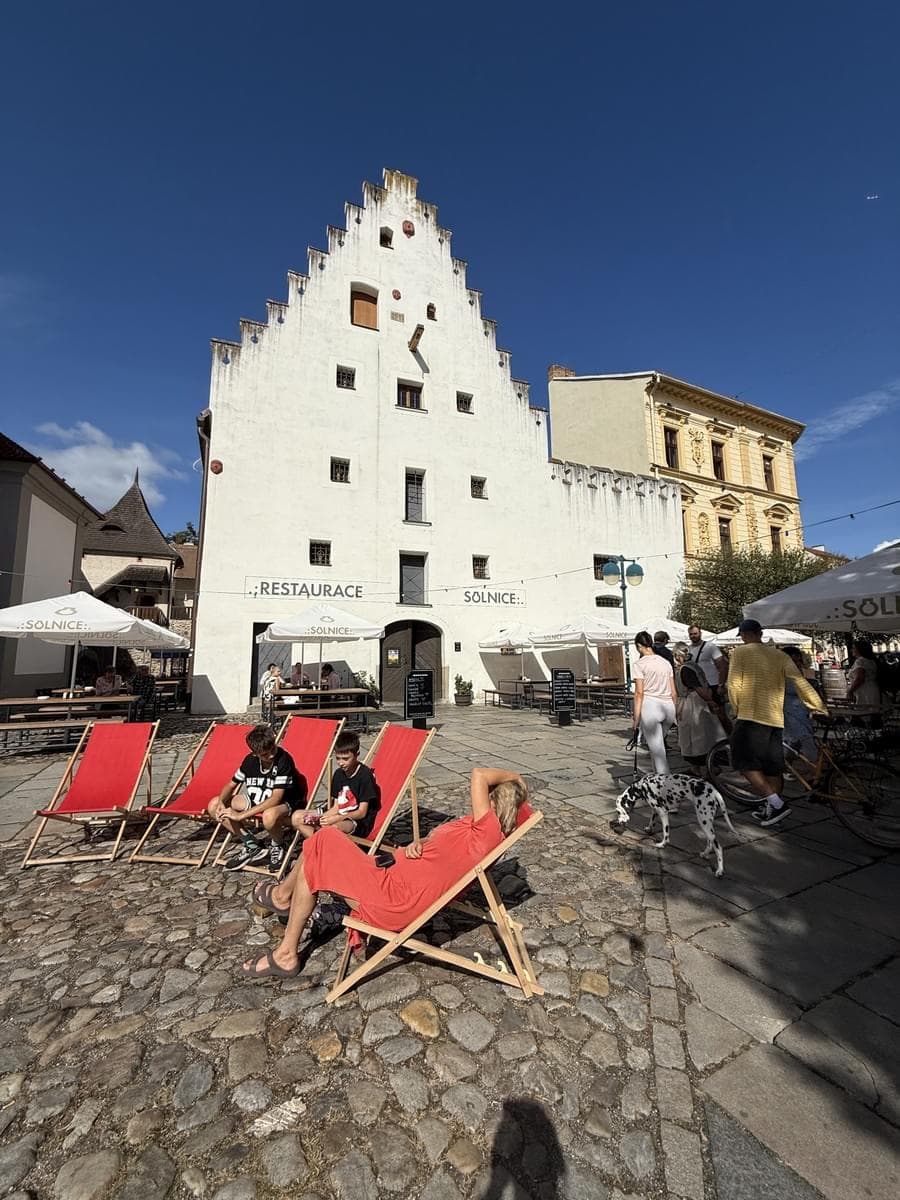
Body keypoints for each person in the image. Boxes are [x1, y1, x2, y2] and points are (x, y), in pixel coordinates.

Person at [242, 766, 528, 979]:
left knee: (323, 841)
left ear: (494, 804)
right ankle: (284, 927)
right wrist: (420, 845)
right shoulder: (475, 832)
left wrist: (515, 776)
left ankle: (283, 914)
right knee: (322, 844)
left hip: (393, 899)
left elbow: (478, 774)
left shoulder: (488, 833)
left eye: (488, 798)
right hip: (390, 877)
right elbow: (445, 853)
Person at [728, 619, 827, 825]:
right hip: (775, 718)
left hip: (751, 715)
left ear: (745, 635)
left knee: (742, 761)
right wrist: (818, 706)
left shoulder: (740, 653)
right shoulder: (779, 655)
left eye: (743, 635)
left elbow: (734, 684)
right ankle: (771, 807)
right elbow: (800, 681)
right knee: (773, 767)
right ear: (760, 633)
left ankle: (776, 803)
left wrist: (736, 709)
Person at [209, 724, 306, 871]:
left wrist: (240, 816)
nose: (271, 755)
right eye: (265, 754)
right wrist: (222, 802)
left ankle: (278, 844)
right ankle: (252, 845)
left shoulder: (283, 760)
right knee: (214, 805)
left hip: (286, 802)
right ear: (255, 754)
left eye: (272, 749)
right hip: (257, 799)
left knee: (269, 815)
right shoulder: (250, 761)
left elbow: (275, 798)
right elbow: (230, 785)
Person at [290, 729, 380, 852]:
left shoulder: (365, 776)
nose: (341, 763)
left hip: (357, 822)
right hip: (339, 815)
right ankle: (322, 848)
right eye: (338, 758)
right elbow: (336, 807)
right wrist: (321, 817)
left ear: (357, 754)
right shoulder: (338, 774)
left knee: (331, 829)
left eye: (345, 758)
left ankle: (321, 850)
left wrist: (337, 818)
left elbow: (361, 812)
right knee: (297, 817)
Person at [672, 643, 726, 772]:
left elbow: (697, 687)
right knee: (705, 734)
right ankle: (705, 766)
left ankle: (702, 767)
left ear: (679, 656)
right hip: (697, 701)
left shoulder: (685, 669)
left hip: (693, 703)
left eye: (675, 656)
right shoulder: (694, 666)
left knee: (696, 736)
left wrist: (710, 700)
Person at [632, 631, 678, 775]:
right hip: (668, 707)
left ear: (639, 646)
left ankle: (666, 783)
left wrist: (636, 717)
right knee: (656, 747)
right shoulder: (665, 663)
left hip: (651, 707)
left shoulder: (639, 664)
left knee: (658, 751)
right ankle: (656, 778)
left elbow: (639, 693)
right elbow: (674, 691)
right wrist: (676, 710)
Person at [781, 646, 820, 771]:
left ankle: (790, 766)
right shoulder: (782, 673)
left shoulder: (799, 671)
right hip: (790, 711)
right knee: (800, 739)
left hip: (800, 710)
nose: (797, 663)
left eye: (798, 660)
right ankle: (814, 768)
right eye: (794, 660)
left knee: (795, 741)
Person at [686, 625, 728, 700]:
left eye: (695, 633)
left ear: (700, 633)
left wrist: (721, 685)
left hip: (713, 683)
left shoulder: (710, 647)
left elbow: (722, 666)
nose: (693, 636)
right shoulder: (688, 649)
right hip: (698, 687)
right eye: (691, 634)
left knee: (718, 709)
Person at [846, 640, 881, 709]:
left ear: (859, 649)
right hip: (872, 689)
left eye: (853, 648)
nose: (851, 650)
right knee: (872, 713)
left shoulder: (860, 661)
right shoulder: (871, 661)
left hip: (864, 691)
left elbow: (860, 678)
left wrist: (850, 691)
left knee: (863, 713)